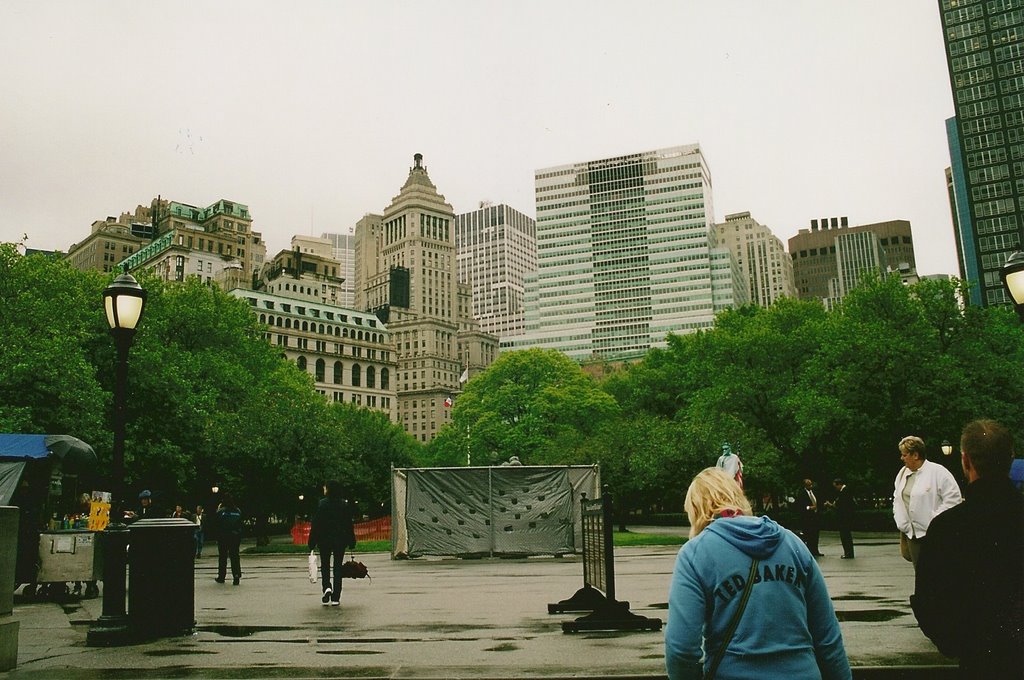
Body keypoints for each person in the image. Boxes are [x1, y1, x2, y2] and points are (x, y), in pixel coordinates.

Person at [665, 467, 851, 680]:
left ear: (697, 509)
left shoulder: (696, 554)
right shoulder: (792, 544)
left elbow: (681, 648)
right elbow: (827, 636)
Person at [912, 419, 1023, 679]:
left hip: (977, 660)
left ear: (966, 461)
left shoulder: (946, 528)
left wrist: (960, 644)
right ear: (1010, 458)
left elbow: (930, 607)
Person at [892, 435, 961, 570]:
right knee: (919, 571)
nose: (902, 458)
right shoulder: (902, 473)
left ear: (915, 455)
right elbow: (897, 497)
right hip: (912, 535)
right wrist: (900, 520)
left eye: (904, 455)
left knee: (936, 571)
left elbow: (953, 500)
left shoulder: (938, 472)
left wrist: (934, 519)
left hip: (933, 535)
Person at [308, 480, 356, 606]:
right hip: (340, 540)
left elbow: (316, 525)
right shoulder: (343, 505)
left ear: (328, 489)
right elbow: (348, 525)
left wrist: (312, 541)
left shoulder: (322, 505)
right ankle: (336, 597)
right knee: (337, 568)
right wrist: (351, 540)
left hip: (324, 540)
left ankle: (327, 588)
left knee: (325, 565)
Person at [214, 494, 243, 585]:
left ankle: (221, 576)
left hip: (223, 537)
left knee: (222, 557)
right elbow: (240, 525)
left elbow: (216, 524)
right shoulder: (238, 511)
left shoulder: (221, 512)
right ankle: (236, 575)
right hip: (235, 537)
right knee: (235, 556)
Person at [827, 478, 856, 559]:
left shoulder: (844, 492)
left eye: (835, 486)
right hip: (846, 517)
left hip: (844, 517)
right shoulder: (846, 491)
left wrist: (831, 505)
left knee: (845, 535)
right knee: (846, 535)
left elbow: (841, 506)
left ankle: (848, 553)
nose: (835, 488)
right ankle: (849, 552)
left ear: (839, 484)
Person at [798, 479, 824, 557]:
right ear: (805, 486)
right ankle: (809, 551)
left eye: (811, 484)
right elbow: (800, 506)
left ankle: (815, 550)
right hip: (807, 518)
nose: (810, 486)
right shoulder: (801, 494)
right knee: (809, 535)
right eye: (808, 485)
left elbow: (818, 502)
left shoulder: (814, 493)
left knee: (815, 534)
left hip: (815, 517)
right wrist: (809, 507)